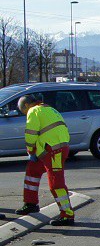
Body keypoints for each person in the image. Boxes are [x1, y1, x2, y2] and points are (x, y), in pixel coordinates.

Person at [18, 94, 75, 225]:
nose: (24, 113)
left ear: (26, 106)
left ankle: (67, 214)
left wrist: (30, 150)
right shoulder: (49, 109)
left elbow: (30, 133)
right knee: (32, 171)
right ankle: (31, 203)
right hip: (53, 149)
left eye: (23, 111)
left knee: (56, 183)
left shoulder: (33, 111)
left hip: (53, 151)